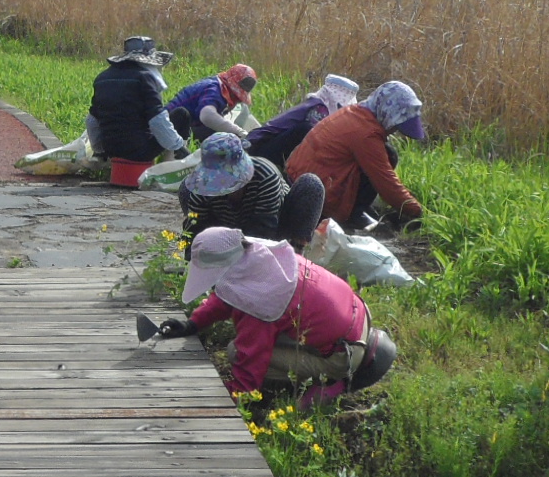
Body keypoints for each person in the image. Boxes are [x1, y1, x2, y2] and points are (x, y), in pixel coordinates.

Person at [145, 226, 396, 407]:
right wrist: (193, 323)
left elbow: (250, 363)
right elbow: (230, 295)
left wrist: (222, 399)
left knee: (234, 351)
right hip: (358, 319)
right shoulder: (268, 261)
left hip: (346, 354)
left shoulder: (262, 301)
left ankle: (334, 384)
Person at [287, 79, 427, 228]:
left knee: (388, 153)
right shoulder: (365, 134)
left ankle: (358, 210)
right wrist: (417, 210)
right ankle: (353, 214)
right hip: (314, 197)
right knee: (385, 158)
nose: (394, 131)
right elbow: (386, 182)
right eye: (396, 125)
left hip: (299, 178)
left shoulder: (355, 112)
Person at [178, 133, 326, 248]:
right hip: (226, 229)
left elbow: (262, 232)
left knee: (311, 184)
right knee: (186, 188)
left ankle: (296, 254)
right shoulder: (203, 185)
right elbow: (194, 226)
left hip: (272, 227)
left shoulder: (265, 176)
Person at [87, 35, 188, 188]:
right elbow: (157, 120)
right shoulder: (144, 78)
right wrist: (179, 147)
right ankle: (169, 167)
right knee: (181, 115)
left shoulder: (102, 78)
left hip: (111, 148)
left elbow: (92, 120)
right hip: (139, 151)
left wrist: (99, 151)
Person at [246, 74, 359, 168]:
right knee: (307, 131)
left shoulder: (318, 104)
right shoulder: (320, 109)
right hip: (261, 149)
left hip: (265, 144)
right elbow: (319, 142)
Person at [163, 64, 259, 145]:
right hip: (172, 126)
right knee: (221, 135)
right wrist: (237, 131)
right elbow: (207, 116)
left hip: (183, 125)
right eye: (236, 96)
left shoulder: (218, 85)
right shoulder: (214, 90)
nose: (236, 101)